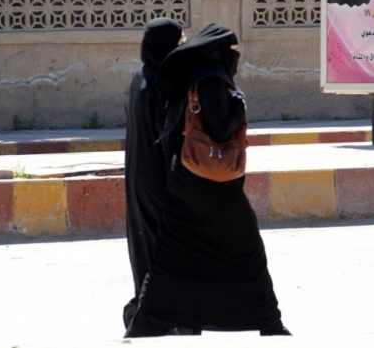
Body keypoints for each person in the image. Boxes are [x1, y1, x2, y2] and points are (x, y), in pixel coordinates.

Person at [125, 23, 290, 337]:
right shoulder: (184, 82)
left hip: (147, 180)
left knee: (162, 256)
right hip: (169, 182)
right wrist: (238, 106)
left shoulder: (147, 79)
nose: (236, 55)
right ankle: (162, 321)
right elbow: (194, 131)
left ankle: (149, 320)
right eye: (179, 40)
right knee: (177, 255)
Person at [123, 17, 185, 328]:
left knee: (145, 247)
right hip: (159, 179)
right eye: (179, 41)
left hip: (137, 177)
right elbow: (167, 135)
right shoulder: (162, 82)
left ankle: (146, 312)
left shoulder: (140, 78)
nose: (183, 45)